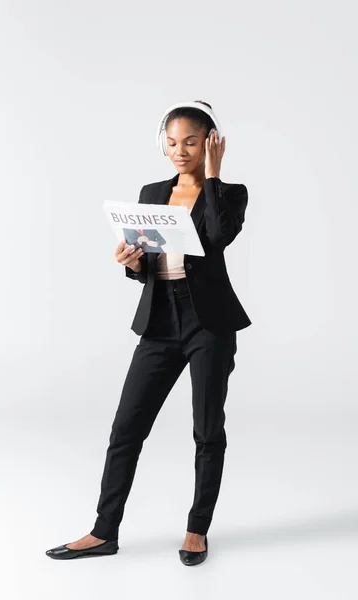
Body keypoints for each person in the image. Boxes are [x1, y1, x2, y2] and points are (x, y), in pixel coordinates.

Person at [46, 100, 252, 566]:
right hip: (161, 320)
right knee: (126, 427)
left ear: (210, 143)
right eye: (173, 142)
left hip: (209, 325)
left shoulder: (231, 192)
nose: (180, 151)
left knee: (206, 430)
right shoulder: (153, 190)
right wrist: (133, 263)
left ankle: (197, 530)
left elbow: (217, 239)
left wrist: (214, 178)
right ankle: (104, 532)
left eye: (192, 142)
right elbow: (150, 260)